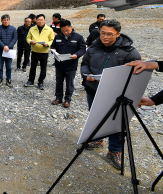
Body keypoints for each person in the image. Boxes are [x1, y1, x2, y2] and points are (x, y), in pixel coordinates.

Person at [81, 19, 141, 170]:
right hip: (93, 89)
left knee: (117, 122)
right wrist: (86, 74)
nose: (105, 37)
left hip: (116, 94)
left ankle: (114, 151)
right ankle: (98, 139)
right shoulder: (93, 48)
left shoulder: (129, 52)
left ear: (118, 34)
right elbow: (84, 63)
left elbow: (136, 75)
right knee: (96, 117)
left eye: (109, 34)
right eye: (102, 33)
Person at [50, 19, 86, 108]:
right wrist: (53, 50)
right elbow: (53, 46)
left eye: (67, 30)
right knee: (59, 82)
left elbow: (82, 49)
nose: (65, 32)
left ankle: (67, 99)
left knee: (69, 83)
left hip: (71, 65)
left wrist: (76, 55)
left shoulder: (78, 37)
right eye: (63, 31)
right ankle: (58, 98)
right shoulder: (58, 37)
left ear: (71, 28)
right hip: (59, 64)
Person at [25, 14, 55, 90]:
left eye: (42, 20)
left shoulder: (49, 29)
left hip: (44, 52)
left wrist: (47, 44)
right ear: (36, 21)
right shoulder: (32, 29)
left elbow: (52, 40)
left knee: (43, 68)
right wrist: (31, 41)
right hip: (34, 51)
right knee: (33, 67)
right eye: (39, 20)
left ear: (44, 20)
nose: (40, 21)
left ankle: (40, 82)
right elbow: (28, 38)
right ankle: (30, 80)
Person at [0, 14, 17, 87]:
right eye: (4, 20)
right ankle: (0, 79)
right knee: (0, 66)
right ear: (1, 21)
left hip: (9, 51)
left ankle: (8, 79)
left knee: (9, 66)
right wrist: (4, 46)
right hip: (0, 51)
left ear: (9, 20)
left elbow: (15, 39)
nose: (6, 21)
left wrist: (9, 46)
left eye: (7, 20)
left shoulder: (13, 29)